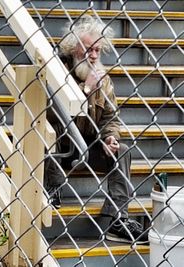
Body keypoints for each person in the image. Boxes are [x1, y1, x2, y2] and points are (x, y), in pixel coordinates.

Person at [45, 15, 148, 243]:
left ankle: (117, 219)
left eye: (97, 50)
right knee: (47, 136)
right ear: (73, 49)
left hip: (87, 147)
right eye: (87, 49)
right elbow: (51, 114)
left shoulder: (105, 80)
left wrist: (109, 137)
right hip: (59, 145)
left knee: (122, 149)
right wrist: (84, 90)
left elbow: (111, 116)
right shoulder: (57, 72)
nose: (93, 56)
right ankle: (51, 189)